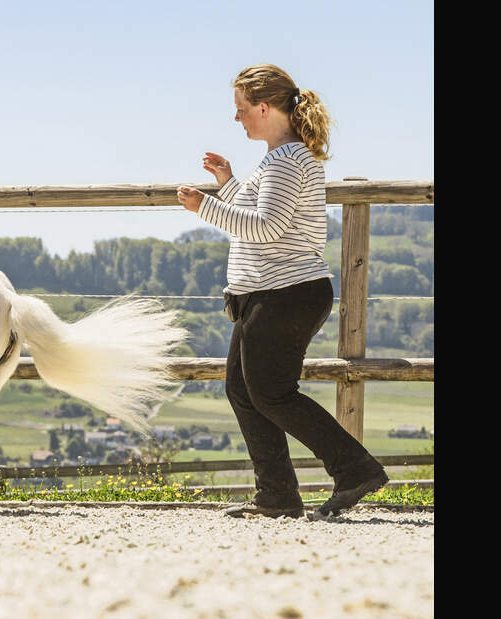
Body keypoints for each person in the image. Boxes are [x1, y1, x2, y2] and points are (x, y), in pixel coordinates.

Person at [175, 65, 388, 520]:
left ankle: (355, 470)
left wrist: (205, 207)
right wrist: (228, 183)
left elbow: (268, 228)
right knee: (244, 391)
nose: (237, 119)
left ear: (265, 107)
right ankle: (277, 497)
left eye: (241, 110)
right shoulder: (279, 160)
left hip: (286, 293)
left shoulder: (288, 161)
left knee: (270, 393)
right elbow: (260, 212)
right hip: (271, 294)